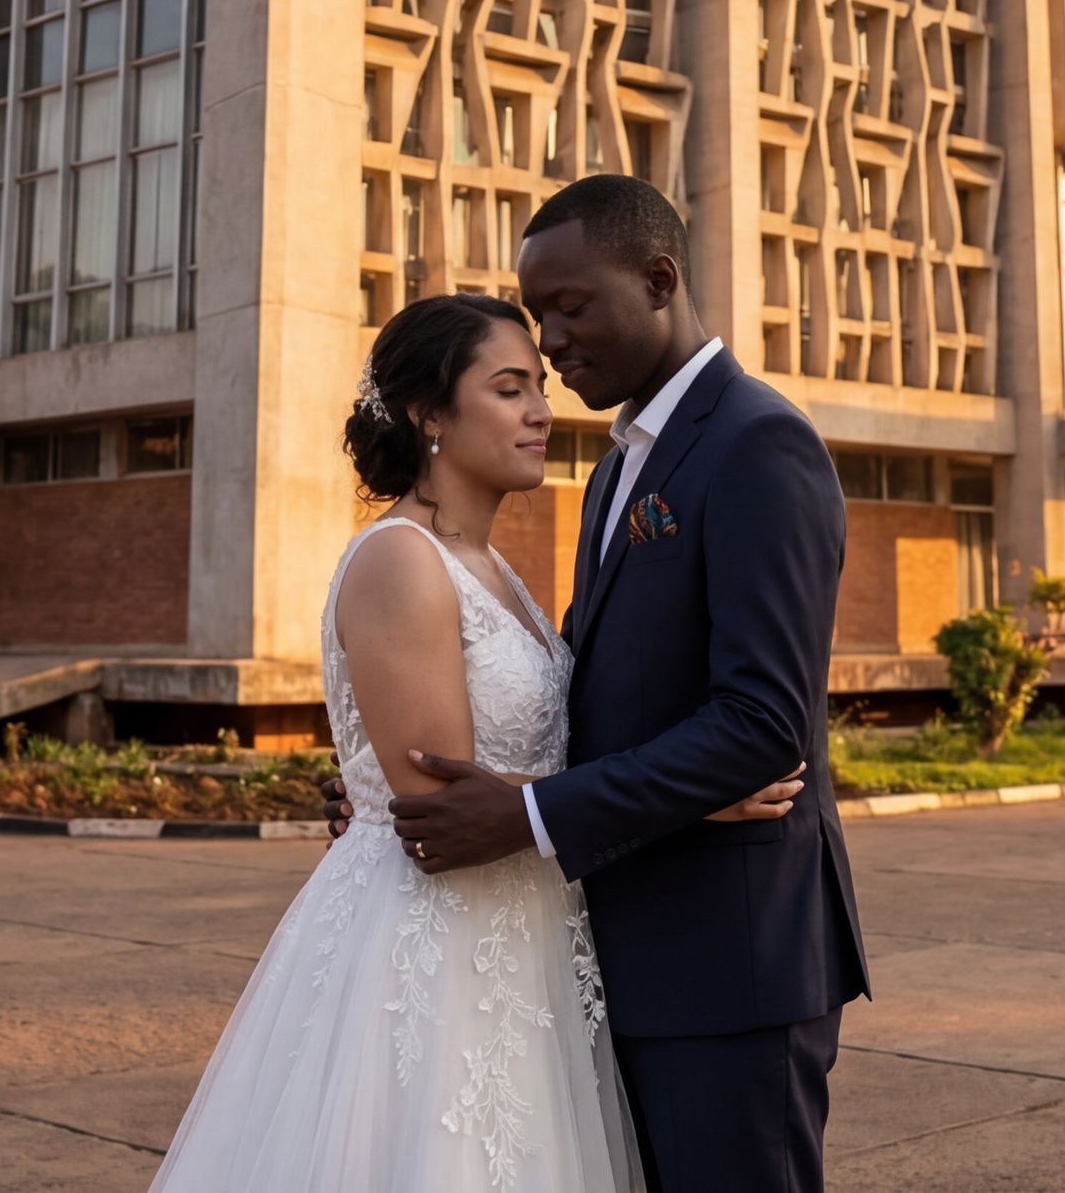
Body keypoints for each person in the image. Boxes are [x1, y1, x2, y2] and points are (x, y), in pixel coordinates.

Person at [148, 289, 802, 1192]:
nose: (542, 409)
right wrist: (691, 800)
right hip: (444, 950)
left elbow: (531, 766)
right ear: (430, 417)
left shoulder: (492, 568)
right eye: (509, 389)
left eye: (538, 384)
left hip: (526, 939)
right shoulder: (399, 560)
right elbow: (451, 814)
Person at [349, 175, 871, 1192]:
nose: (547, 340)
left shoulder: (758, 443)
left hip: (733, 964)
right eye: (536, 318)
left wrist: (534, 813)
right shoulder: (620, 468)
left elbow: (765, 719)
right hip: (616, 964)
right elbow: (594, 695)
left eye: (569, 306)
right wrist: (391, 793)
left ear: (660, 279)